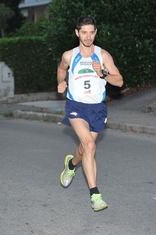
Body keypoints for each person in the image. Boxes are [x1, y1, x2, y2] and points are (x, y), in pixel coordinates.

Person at [57, 16, 123, 212]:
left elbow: (119, 81)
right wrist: (61, 82)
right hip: (76, 106)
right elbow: (61, 69)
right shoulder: (70, 55)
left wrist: (103, 73)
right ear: (77, 33)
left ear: (95, 32)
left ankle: (71, 164)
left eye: (91, 32)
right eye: (84, 32)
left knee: (85, 149)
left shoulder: (103, 56)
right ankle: (95, 195)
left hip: (97, 108)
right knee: (90, 145)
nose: (88, 36)